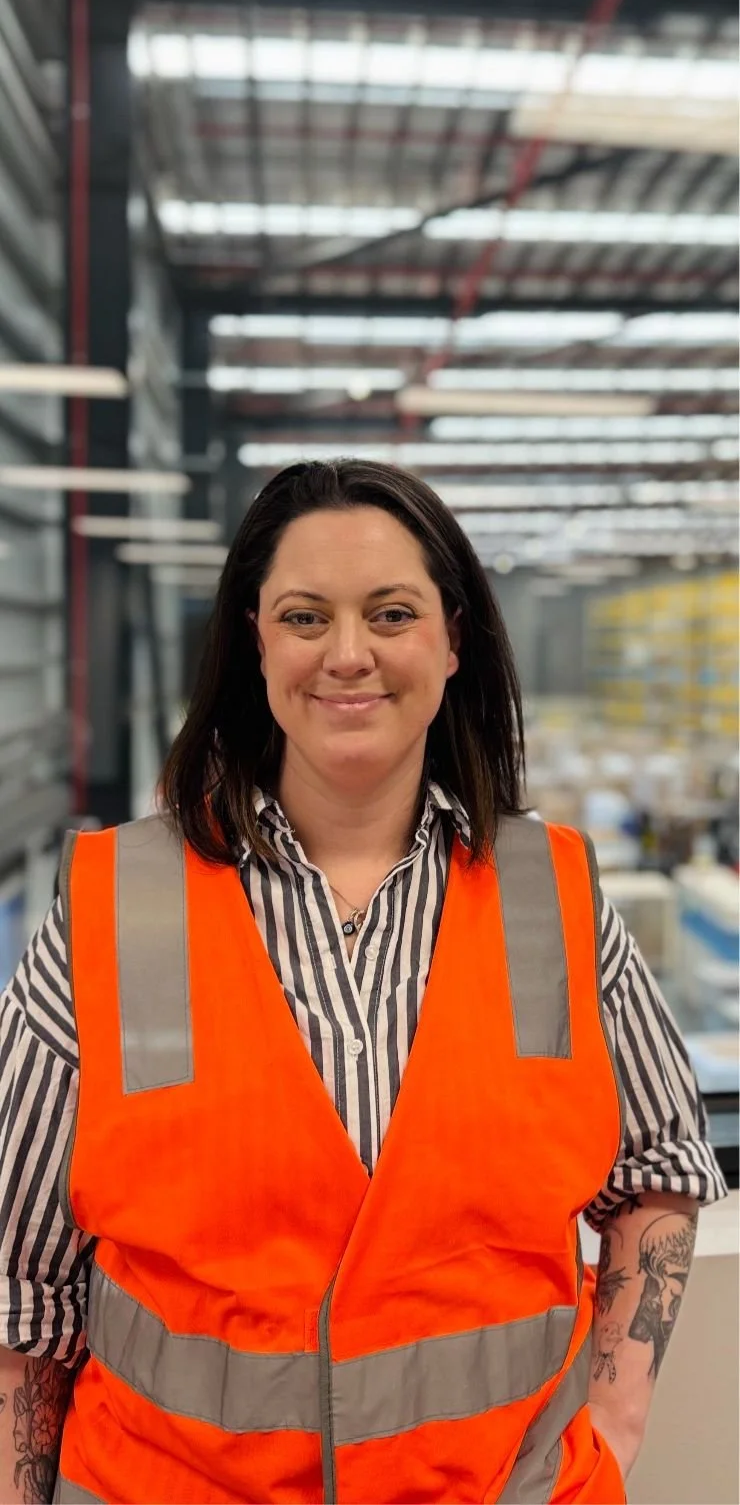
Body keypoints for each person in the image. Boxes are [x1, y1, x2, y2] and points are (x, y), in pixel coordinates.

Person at [0, 460, 727, 1505]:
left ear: (451, 638)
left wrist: (611, 1423)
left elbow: (659, 1165)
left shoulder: (551, 897)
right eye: (305, 616)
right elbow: (20, 1288)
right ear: (256, 640)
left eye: (391, 612)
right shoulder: (113, 911)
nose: (348, 653)